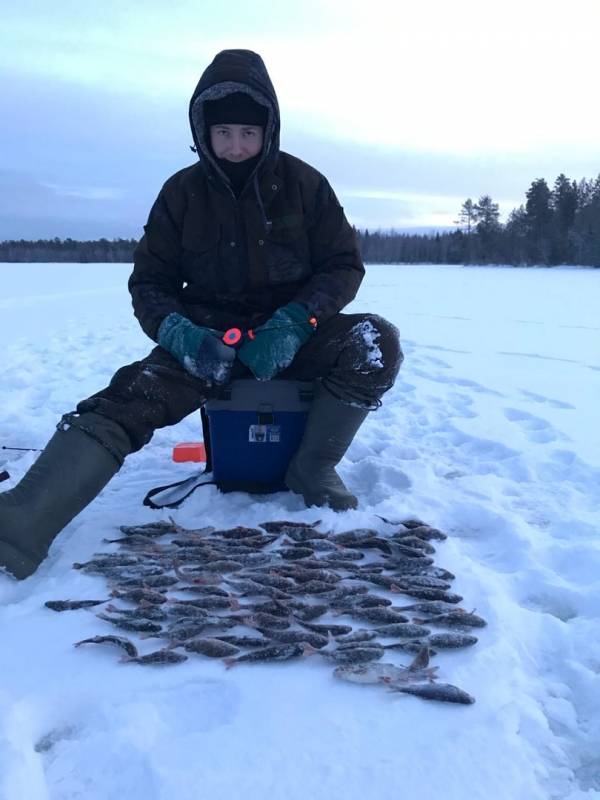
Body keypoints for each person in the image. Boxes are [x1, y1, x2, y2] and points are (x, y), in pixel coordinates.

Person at [0, 49, 403, 581]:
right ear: (203, 132)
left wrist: (295, 321)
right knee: (123, 401)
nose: (236, 145)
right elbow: (150, 281)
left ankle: (313, 469)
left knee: (375, 341)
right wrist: (178, 332)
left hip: (291, 337)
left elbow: (342, 265)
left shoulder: (307, 185)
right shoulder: (180, 194)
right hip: (205, 343)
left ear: (269, 130)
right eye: (224, 133)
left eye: (248, 133)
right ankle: (18, 530)